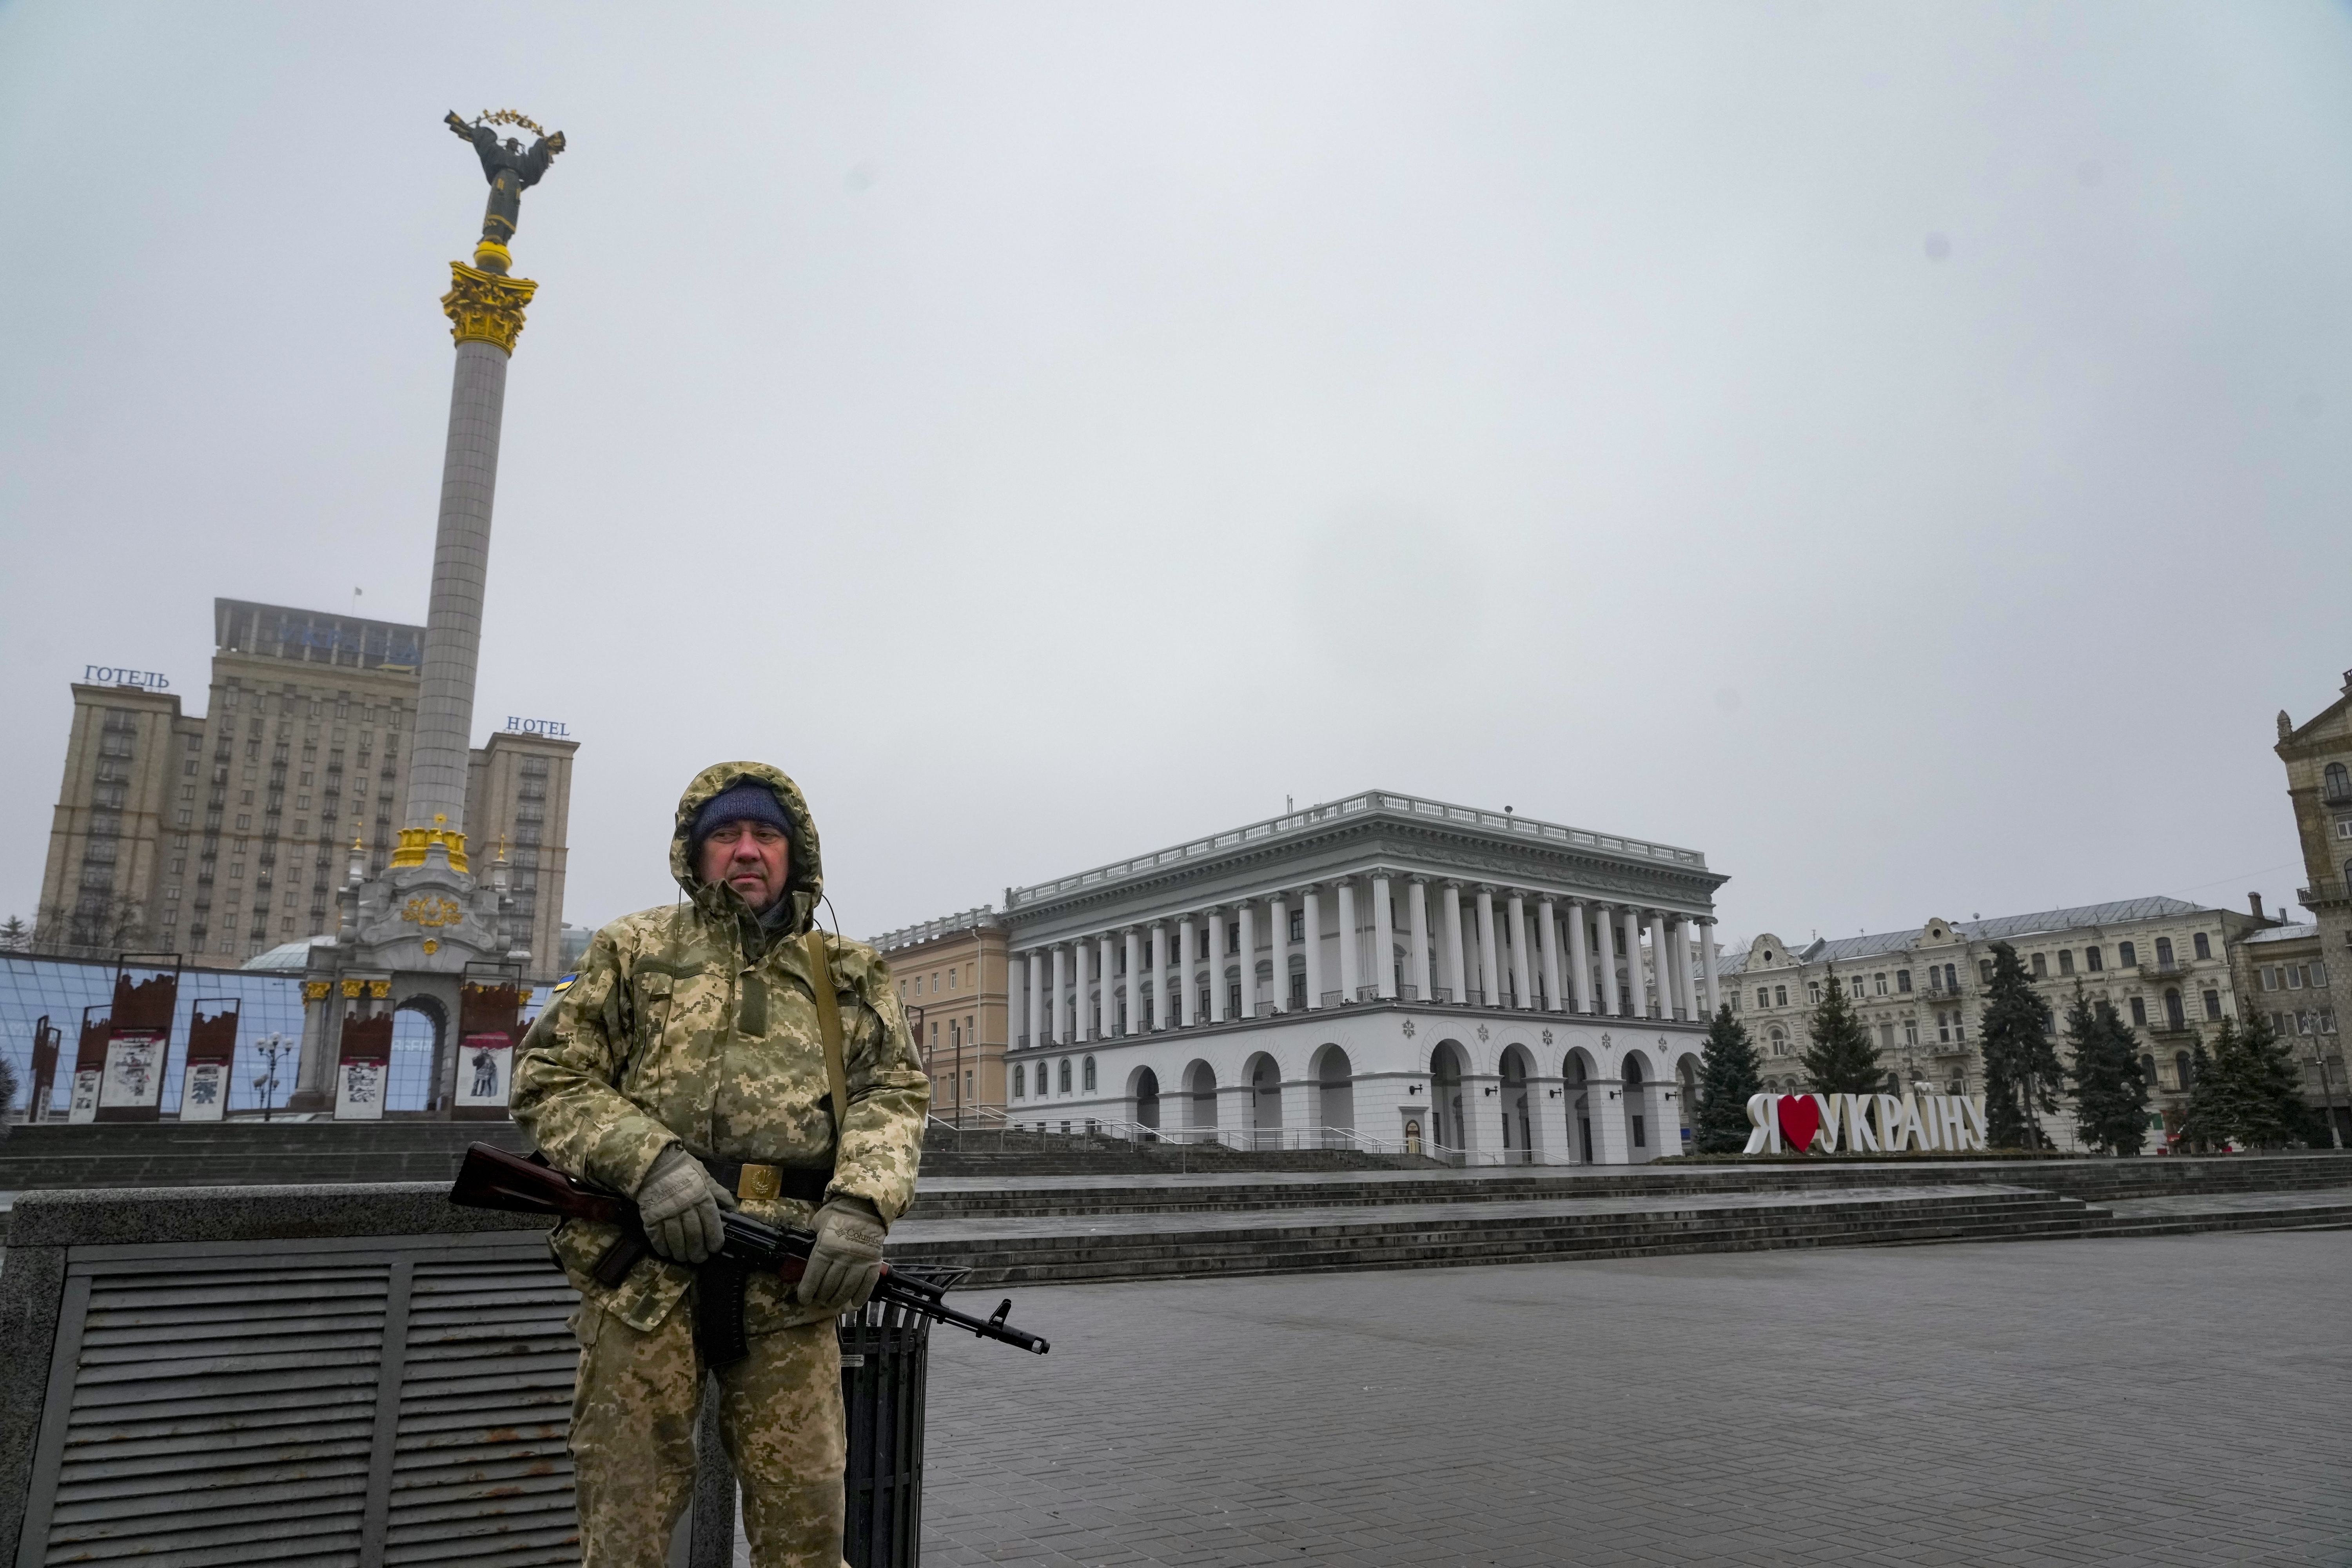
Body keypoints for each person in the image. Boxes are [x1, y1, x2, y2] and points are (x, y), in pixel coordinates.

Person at [512, 763, 929, 1567]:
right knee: (623, 1530)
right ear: (695, 853)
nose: (746, 850)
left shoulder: (848, 970)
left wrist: (863, 1205)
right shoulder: (633, 948)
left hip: (788, 1280)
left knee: (807, 1530)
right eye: (725, 835)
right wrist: (650, 1163)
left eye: (764, 834)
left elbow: (895, 1093)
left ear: (794, 851)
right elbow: (549, 1076)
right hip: (644, 1278)